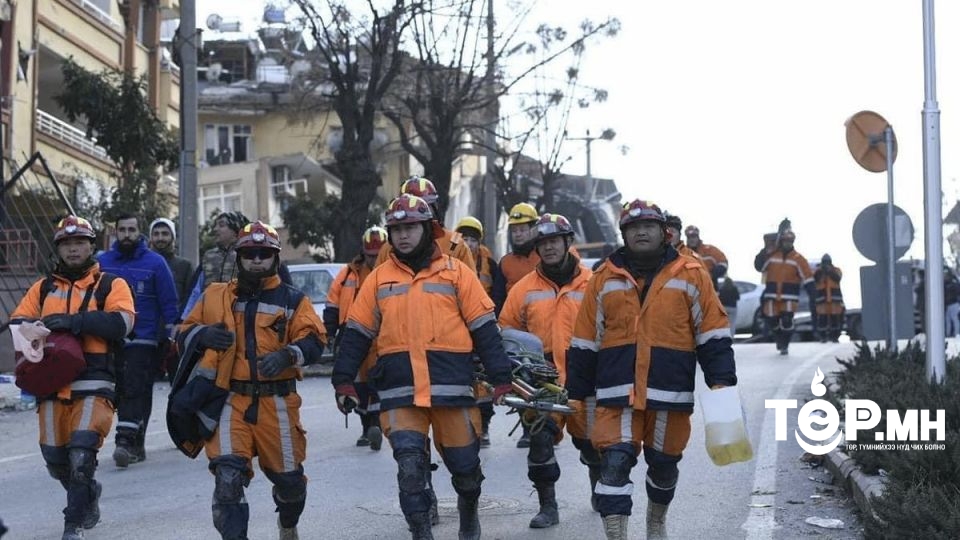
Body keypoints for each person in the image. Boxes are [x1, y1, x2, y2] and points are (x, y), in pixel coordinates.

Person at [331, 194, 513, 540]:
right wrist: (343, 381)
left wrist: (501, 378)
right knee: (410, 470)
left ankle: (468, 511)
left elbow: (484, 328)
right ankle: (420, 532)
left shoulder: (457, 273)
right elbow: (356, 333)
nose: (403, 235)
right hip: (400, 392)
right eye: (396, 229)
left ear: (428, 229)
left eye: (411, 227)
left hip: (452, 389)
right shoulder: (379, 279)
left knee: (466, 470)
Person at [566, 200, 737, 540]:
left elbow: (712, 334)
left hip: (669, 394)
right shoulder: (603, 278)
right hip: (616, 396)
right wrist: (576, 395)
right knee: (613, 468)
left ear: (664, 232)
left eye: (648, 226)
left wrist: (722, 384)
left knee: (664, 467)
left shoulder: (691, 274)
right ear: (624, 234)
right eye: (633, 228)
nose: (641, 232)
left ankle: (656, 524)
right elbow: (585, 341)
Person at [173, 220, 326, 540]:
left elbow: (315, 341)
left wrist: (288, 355)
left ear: (275, 258)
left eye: (264, 253)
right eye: (249, 253)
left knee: (291, 485)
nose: (256, 259)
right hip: (230, 401)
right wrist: (203, 335)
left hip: (278, 404)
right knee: (227, 481)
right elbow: (182, 333)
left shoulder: (293, 300)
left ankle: (288, 523)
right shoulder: (214, 296)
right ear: (239, 257)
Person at [10, 216, 135, 540]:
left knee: (81, 454)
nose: (73, 249)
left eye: (80, 242)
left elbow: (121, 324)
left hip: (95, 381)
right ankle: (88, 493)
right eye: (66, 244)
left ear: (91, 246)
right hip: (51, 383)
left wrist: (74, 322)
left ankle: (73, 525)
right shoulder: (43, 288)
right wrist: (34, 328)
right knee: (56, 459)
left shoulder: (111, 285)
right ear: (58, 249)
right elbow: (18, 322)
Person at [498, 212, 597, 529]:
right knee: (540, 442)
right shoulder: (523, 288)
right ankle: (548, 506)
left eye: (555, 240)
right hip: (541, 382)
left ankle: (598, 483)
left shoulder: (594, 283)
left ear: (568, 242)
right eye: (543, 242)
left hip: (587, 379)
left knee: (592, 444)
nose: (549, 247)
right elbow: (507, 331)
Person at [97, 213, 179, 468]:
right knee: (122, 390)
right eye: (122, 230)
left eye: (131, 230)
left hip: (144, 338)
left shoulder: (155, 263)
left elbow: (169, 301)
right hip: (110, 338)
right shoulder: (103, 262)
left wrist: (172, 336)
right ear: (116, 232)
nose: (127, 235)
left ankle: (125, 442)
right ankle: (136, 443)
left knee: (135, 386)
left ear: (139, 232)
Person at [324, 225, 388, 450]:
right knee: (358, 386)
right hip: (354, 337)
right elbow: (332, 303)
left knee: (378, 383)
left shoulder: (392, 272)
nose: (374, 259)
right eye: (370, 255)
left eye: (377, 255)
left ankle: (376, 425)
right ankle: (366, 427)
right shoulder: (347, 274)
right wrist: (330, 332)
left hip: (382, 337)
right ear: (363, 251)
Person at [491, 201, 541, 448]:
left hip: (545, 327)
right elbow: (498, 298)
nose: (518, 234)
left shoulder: (546, 255)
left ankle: (551, 423)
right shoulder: (505, 263)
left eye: (523, 229)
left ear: (534, 229)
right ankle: (529, 427)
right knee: (522, 379)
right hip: (517, 333)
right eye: (515, 229)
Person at [454, 216, 503, 447]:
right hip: (457, 329)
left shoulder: (490, 264)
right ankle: (465, 427)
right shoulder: (449, 262)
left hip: (482, 326)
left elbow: (498, 295)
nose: (468, 243)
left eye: (472, 239)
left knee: (484, 381)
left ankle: (483, 426)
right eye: (464, 238)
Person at [375, 176, 475, 270]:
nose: (417, 213)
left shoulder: (456, 242)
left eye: (423, 206)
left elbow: (469, 281)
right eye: (410, 208)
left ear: (435, 208)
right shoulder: (387, 249)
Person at [753, 220, 816, 355]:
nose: (788, 244)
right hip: (772, 295)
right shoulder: (771, 255)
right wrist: (764, 250)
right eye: (785, 241)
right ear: (781, 241)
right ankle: (778, 337)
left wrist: (813, 293)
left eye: (790, 241)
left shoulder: (798, 259)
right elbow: (759, 267)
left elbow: (807, 277)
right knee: (772, 320)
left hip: (789, 297)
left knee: (787, 321)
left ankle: (784, 343)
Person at [180, 211, 250, 318]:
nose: (215, 229)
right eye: (216, 225)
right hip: (209, 317)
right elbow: (195, 291)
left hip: (239, 317)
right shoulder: (209, 256)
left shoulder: (248, 256)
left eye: (221, 225)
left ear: (235, 231)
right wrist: (184, 318)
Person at [149, 218, 193, 314]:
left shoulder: (185, 266)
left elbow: (190, 300)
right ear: (151, 238)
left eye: (165, 234)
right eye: (156, 234)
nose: (160, 238)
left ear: (173, 237)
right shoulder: (142, 265)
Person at [813, 254, 845, 342]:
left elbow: (838, 278)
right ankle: (822, 337)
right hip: (822, 300)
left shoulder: (836, 270)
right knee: (822, 319)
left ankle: (835, 337)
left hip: (835, 300)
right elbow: (815, 279)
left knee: (835, 319)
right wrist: (822, 271)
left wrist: (830, 271)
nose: (826, 264)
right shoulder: (818, 271)